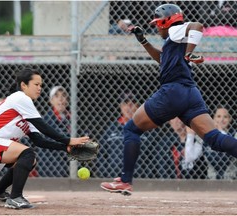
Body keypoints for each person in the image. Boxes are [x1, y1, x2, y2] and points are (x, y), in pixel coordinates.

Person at [100, 3, 237, 195]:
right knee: (214, 139)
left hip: (172, 91)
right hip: (190, 93)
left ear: (167, 21)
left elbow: (197, 25)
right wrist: (144, 41)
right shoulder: (174, 39)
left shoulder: (174, 30)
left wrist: (189, 53)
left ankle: (125, 180)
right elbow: (163, 59)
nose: (157, 27)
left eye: (159, 23)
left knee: (131, 129)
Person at [0, 68, 89, 209]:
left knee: (30, 159)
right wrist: (68, 140)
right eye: (36, 84)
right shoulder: (20, 97)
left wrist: (65, 148)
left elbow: (39, 141)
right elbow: (43, 126)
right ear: (24, 85)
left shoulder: (26, 107)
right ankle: (15, 198)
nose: (40, 88)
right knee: (28, 153)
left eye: (41, 85)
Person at [98, 91, 139, 177]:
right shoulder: (111, 129)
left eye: (132, 104)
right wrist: (105, 174)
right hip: (113, 176)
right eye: (125, 104)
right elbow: (101, 153)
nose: (129, 107)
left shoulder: (143, 127)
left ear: (137, 106)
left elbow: (151, 157)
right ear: (121, 107)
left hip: (138, 178)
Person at [36, 86, 71, 177]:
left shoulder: (71, 119)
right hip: (50, 166)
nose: (60, 99)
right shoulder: (46, 120)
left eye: (63, 95)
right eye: (56, 96)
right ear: (51, 101)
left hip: (66, 164)